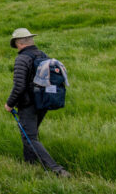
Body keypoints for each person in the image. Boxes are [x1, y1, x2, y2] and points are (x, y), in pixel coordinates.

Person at [5, 28, 71, 177]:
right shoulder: (42, 55)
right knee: (29, 135)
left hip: (28, 104)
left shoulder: (22, 59)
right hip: (42, 102)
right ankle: (29, 165)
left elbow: (19, 86)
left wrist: (9, 104)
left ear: (18, 43)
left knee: (30, 137)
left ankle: (57, 170)